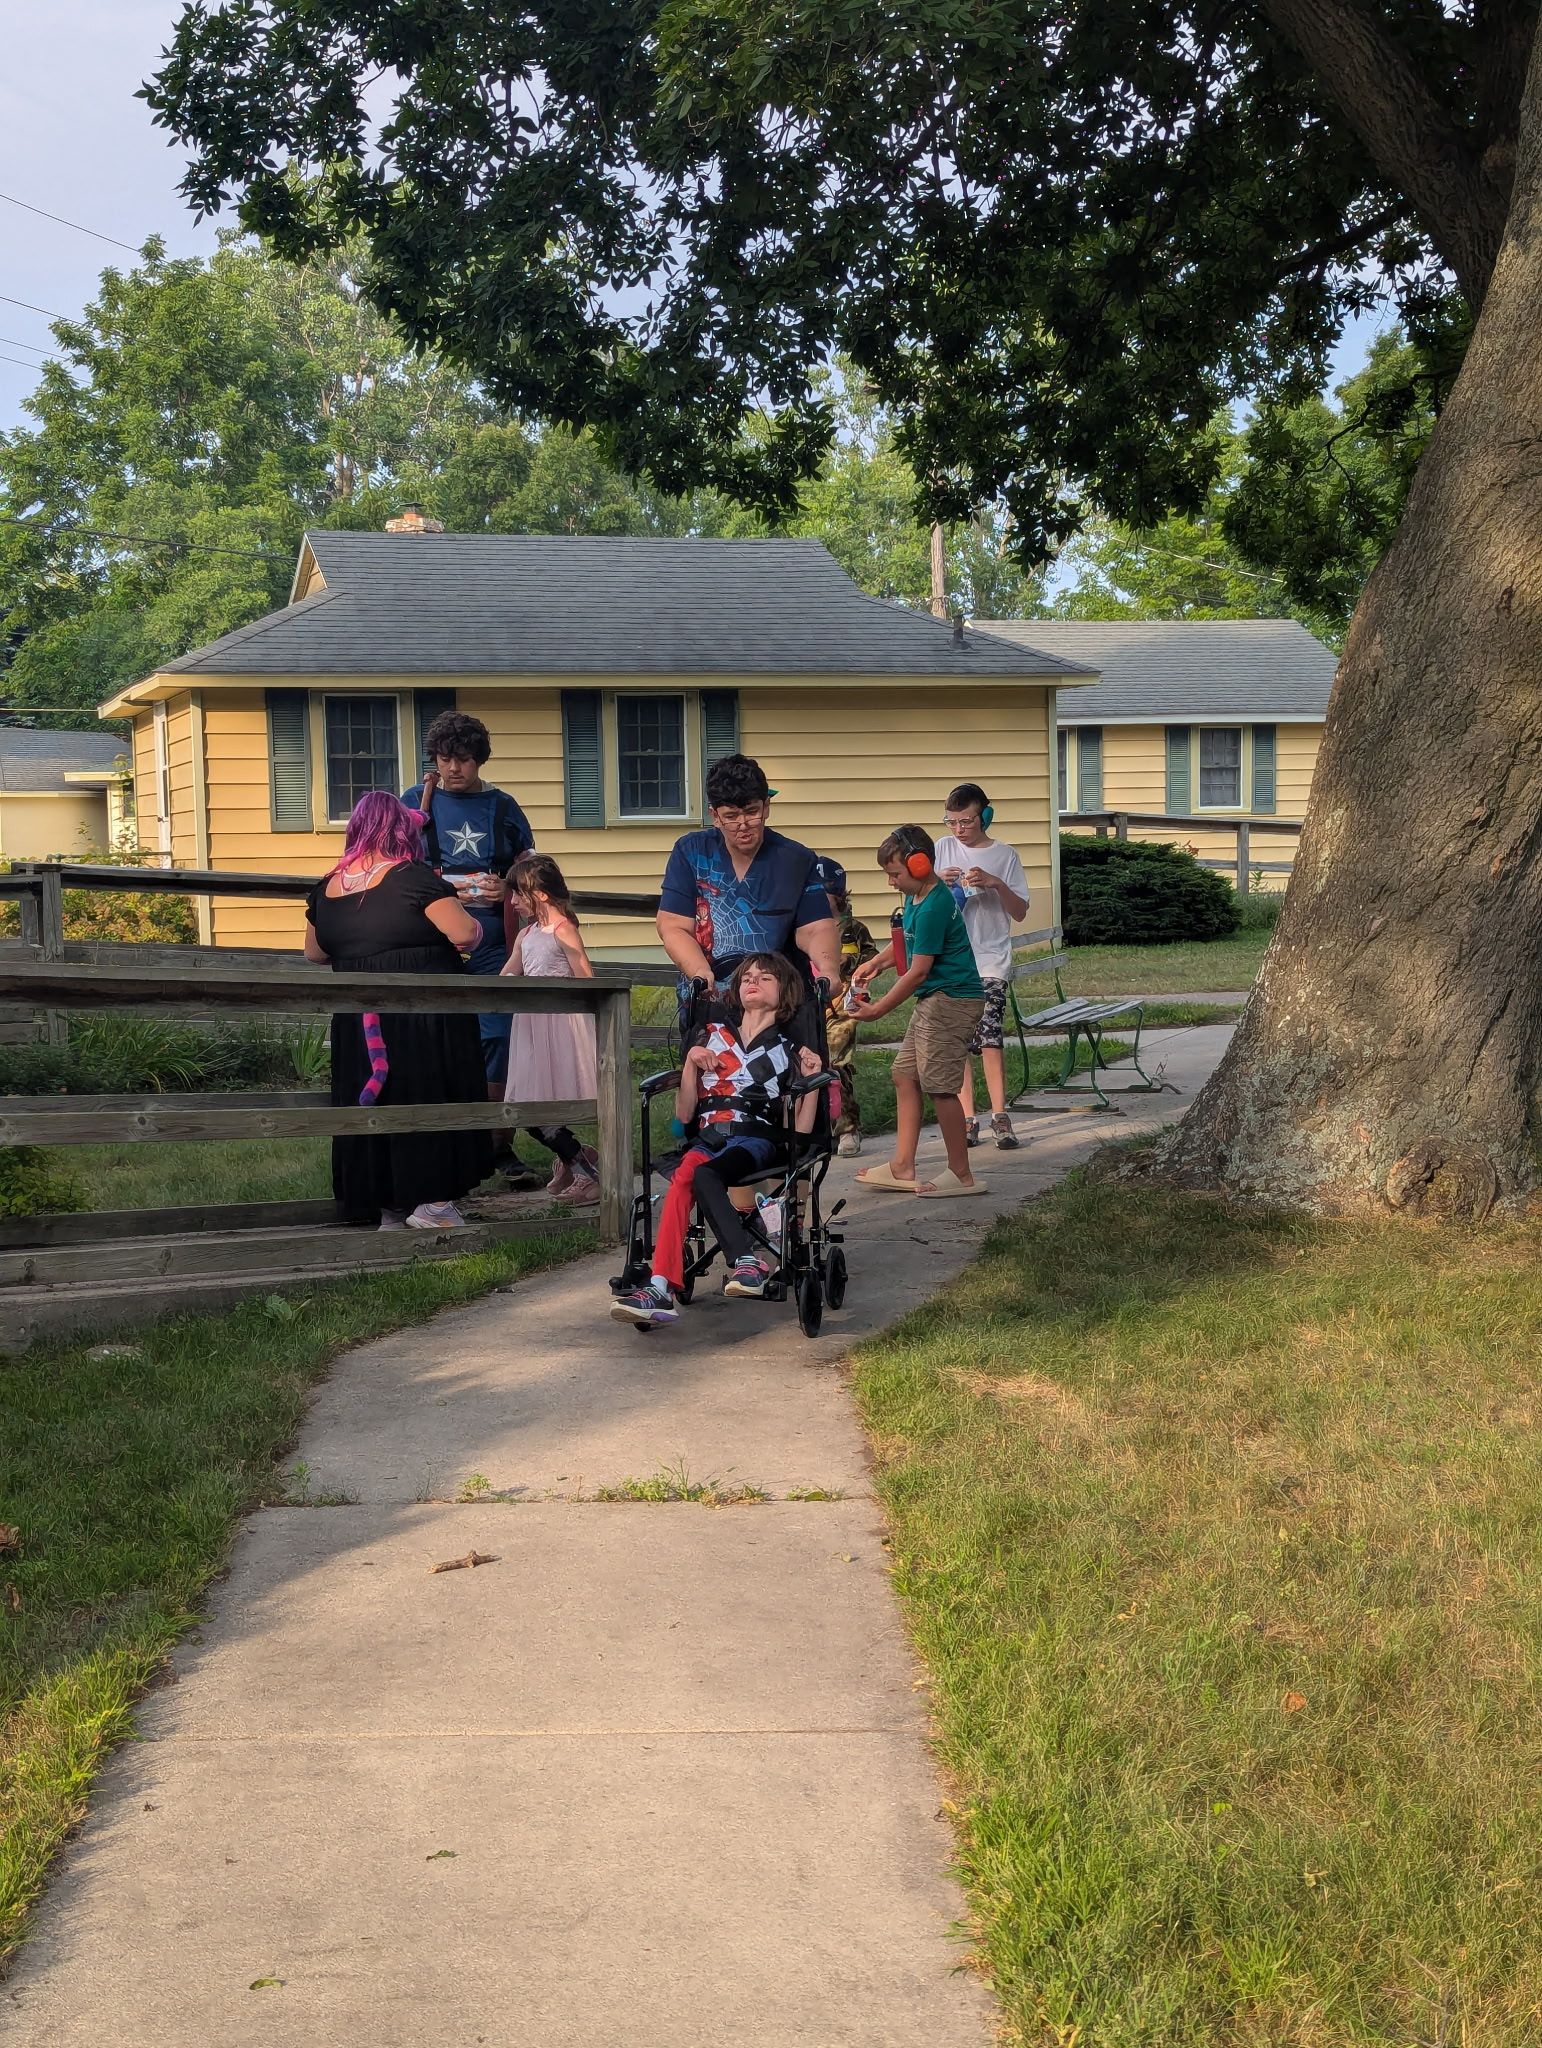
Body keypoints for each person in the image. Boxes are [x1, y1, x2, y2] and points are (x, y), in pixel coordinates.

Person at [304, 792, 494, 1230]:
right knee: (429, 1091)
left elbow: (314, 952)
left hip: (359, 1020)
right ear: (402, 831)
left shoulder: (327, 888)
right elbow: (464, 934)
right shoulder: (414, 879)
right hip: (424, 1017)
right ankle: (433, 1204)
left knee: (373, 1097)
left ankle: (386, 1205)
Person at [610, 953, 823, 1327]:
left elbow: (801, 1132)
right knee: (685, 1178)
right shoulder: (711, 1038)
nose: (753, 981)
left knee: (703, 1175)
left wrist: (812, 1080)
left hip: (755, 1139)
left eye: (766, 977)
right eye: (746, 978)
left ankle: (745, 1261)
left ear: (786, 992)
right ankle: (660, 1287)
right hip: (709, 1137)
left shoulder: (788, 1051)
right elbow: (684, 1115)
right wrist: (691, 1062)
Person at [403, 709, 540, 1187]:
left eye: (463, 759)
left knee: (497, 1038)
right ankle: (440, 1147)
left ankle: (498, 1146)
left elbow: (530, 870)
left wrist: (509, 889)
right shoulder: (412, 803)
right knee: (435, 1038)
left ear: (479, 760)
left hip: (493, 941)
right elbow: (391, 867)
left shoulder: (503, 808)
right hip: (430, 940)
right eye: (444, 759)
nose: (453, 769)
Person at [850, 825, 987, 1199]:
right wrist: (876, 963)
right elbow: (907, 947)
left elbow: (919, 970)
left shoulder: (935, 905)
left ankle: (961, 1174)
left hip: (952, 999)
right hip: (936, 1000)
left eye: (895, 873)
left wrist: (878, 1009)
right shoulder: (914, 898)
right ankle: (901, 1166)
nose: (891, 882)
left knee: (940, 1087)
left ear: (921, 864)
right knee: (904, 1076)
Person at [656, 753, 841, 1010]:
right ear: (715, 815)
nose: (743, 825)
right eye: (731, 816)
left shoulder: (797, 859)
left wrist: (828, 970)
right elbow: (673, 926)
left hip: (781, 1005)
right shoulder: (690, 852)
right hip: (708, 1003)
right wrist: (699, 971)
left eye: (752, 812)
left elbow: (816, 928)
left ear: (766, 807)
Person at [934, 781, 1030, 1150]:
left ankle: (1000, 1114)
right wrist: (937, 883)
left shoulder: (1005, 855)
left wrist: (994, 883)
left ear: (985, 816)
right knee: (959, 1040)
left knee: (989, 1035)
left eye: (966, 821)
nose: (959, 829)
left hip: (990, 958)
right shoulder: (941, 849)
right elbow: (919, 899)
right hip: (953, 958)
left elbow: (1020, 912)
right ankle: (967, 1117)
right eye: (952, 821)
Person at [501, 852, 600, 1203]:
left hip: (559, 1025)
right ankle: (576, 1157)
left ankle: (588, 1172)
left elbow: (585, 977)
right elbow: (511, 971)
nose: (511, 901)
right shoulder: (526, 934)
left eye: (517, 894)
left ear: (539, 894)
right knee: (526, 1104)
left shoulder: (564, 930)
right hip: (529, 1025)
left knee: (549, 1101)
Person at [813, 855, 878, 1158]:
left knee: (837, 1063)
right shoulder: (807, 927)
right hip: (814, 1004)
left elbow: (873, 959)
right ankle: (818, 1127)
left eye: (820, 890)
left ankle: (848, 1128)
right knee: (814, 1064)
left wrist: (849, 964)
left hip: (847, 1004)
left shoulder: (854, 929)